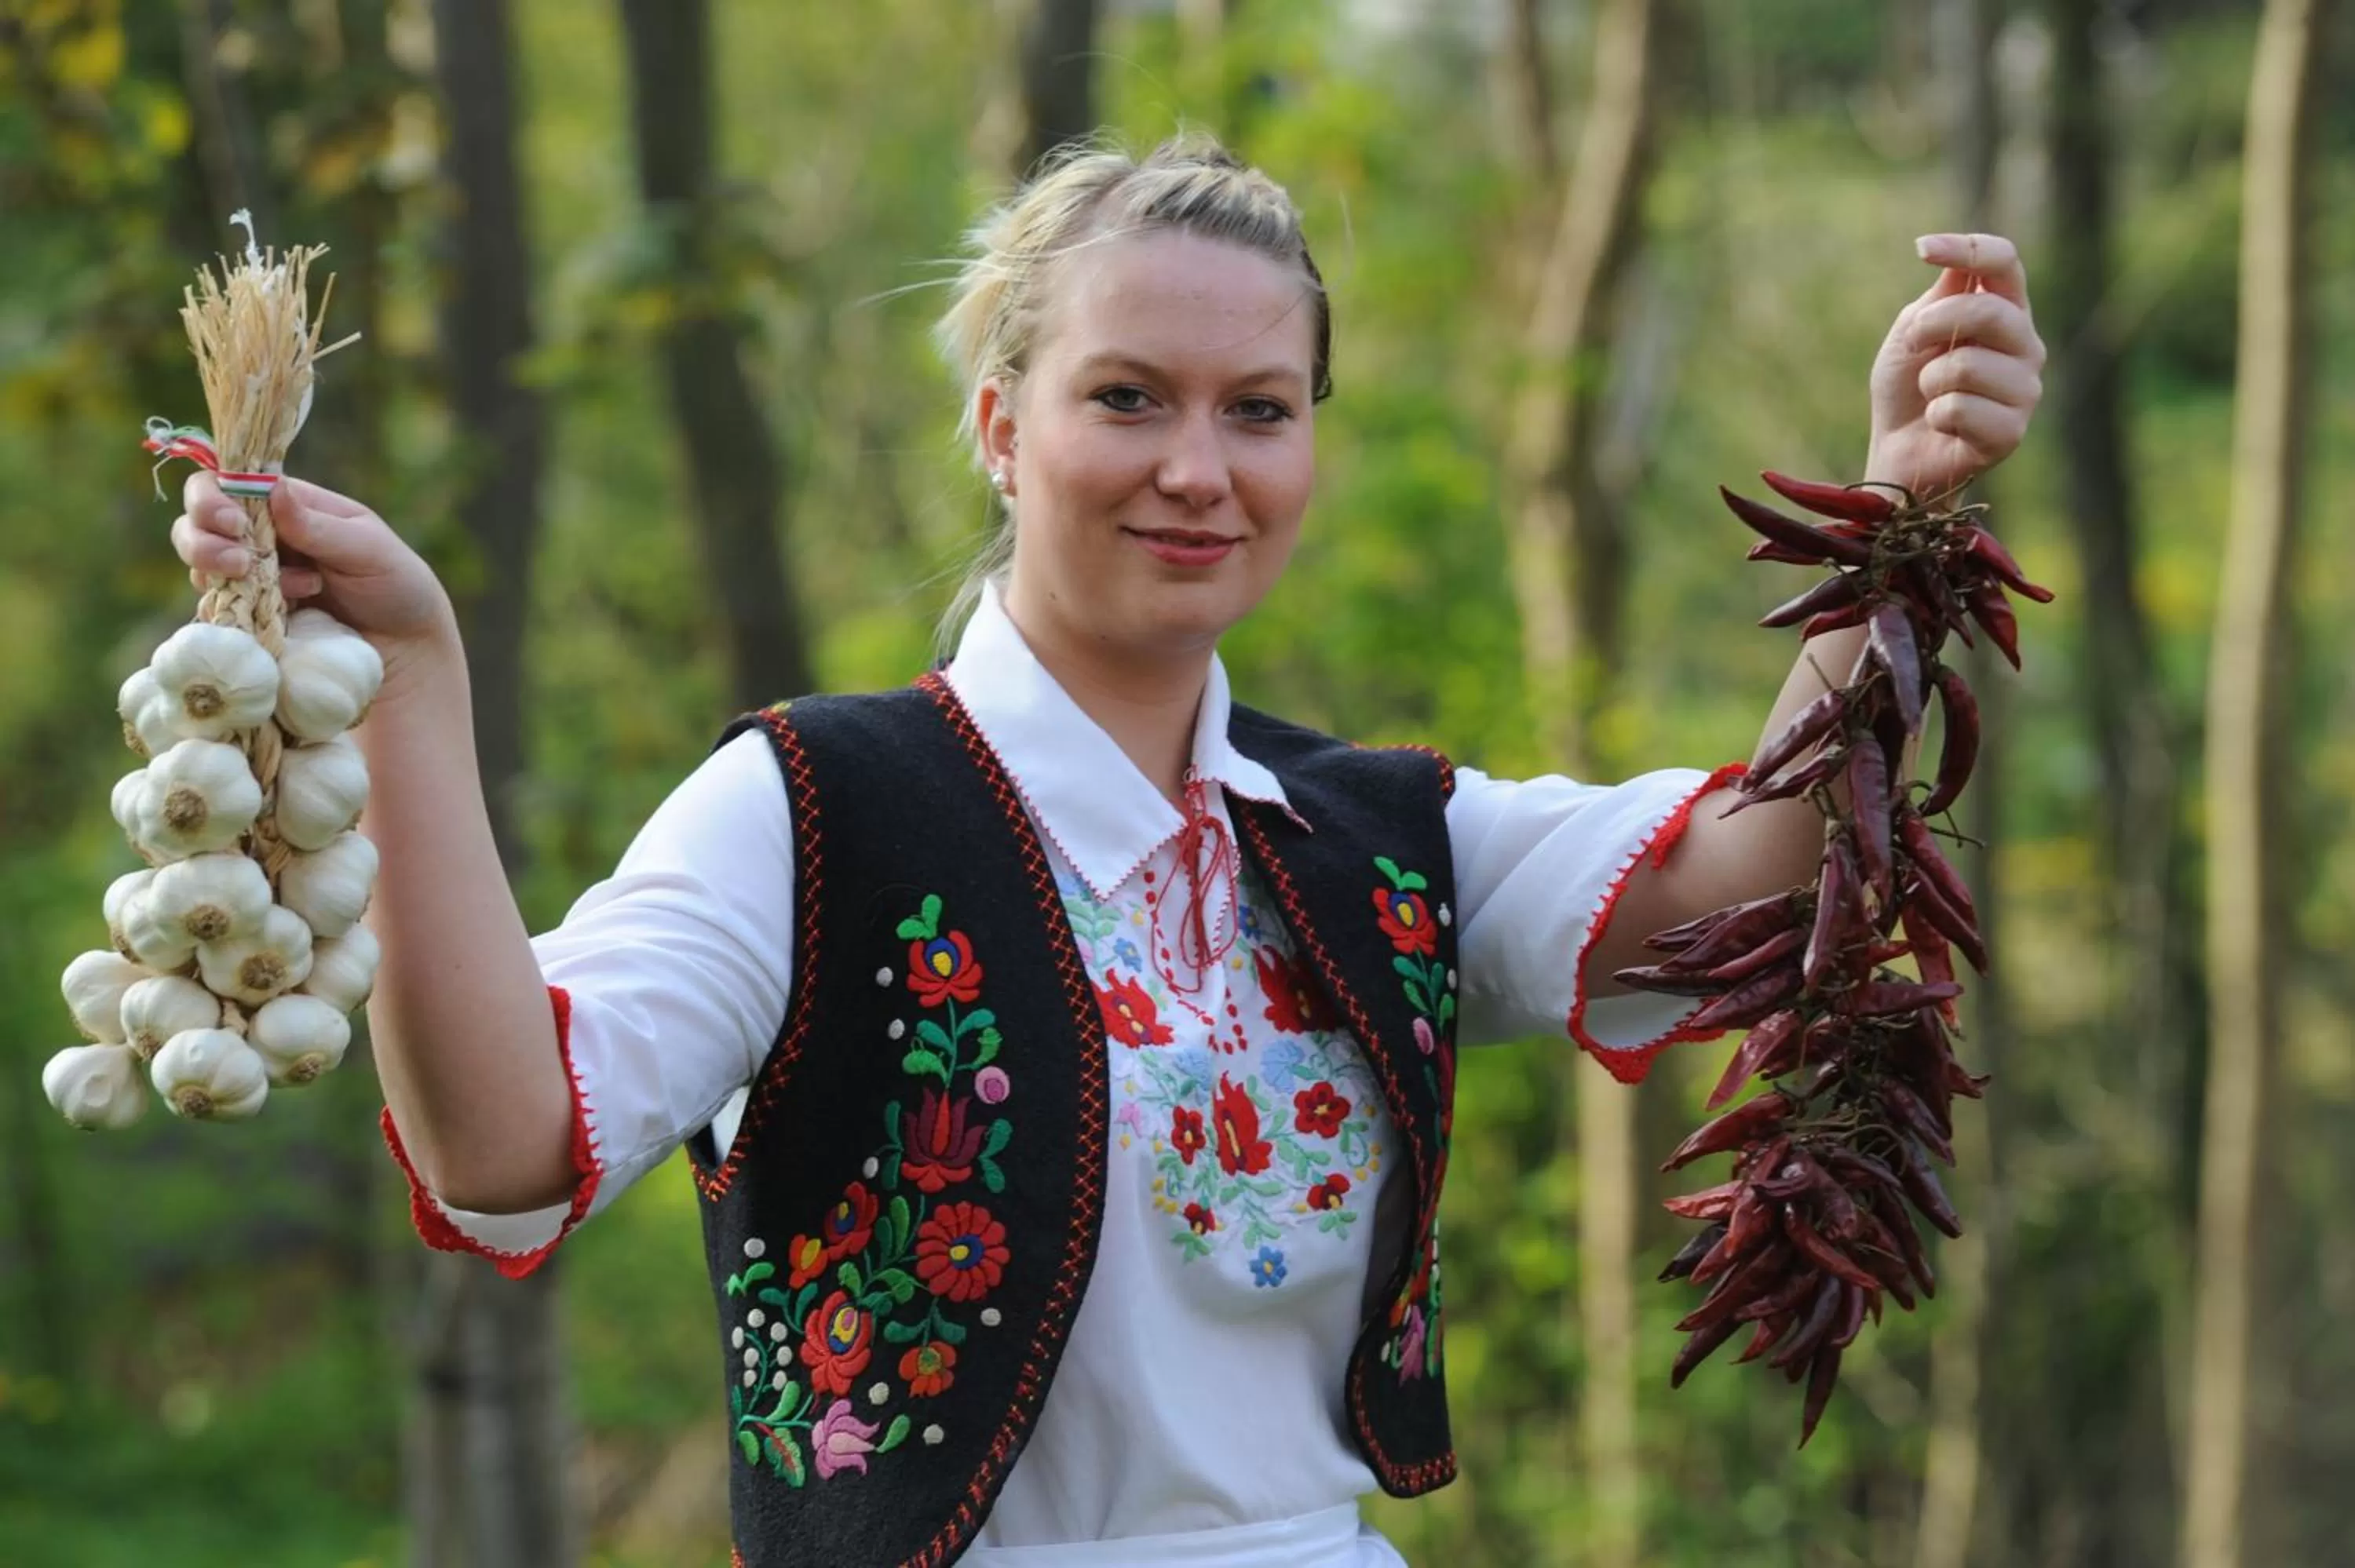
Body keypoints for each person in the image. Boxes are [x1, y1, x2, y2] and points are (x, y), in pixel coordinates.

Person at [171, 134, 2043, 1568]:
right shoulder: (822, 809)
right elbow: (505, 1135)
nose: (1198, 469)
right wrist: (409, 684)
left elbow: (1772, 868)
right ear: (1002, 427)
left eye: (1262, 412)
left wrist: (1902, 519)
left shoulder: (1377, 840)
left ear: (1313, 447)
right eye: (1126, 397)